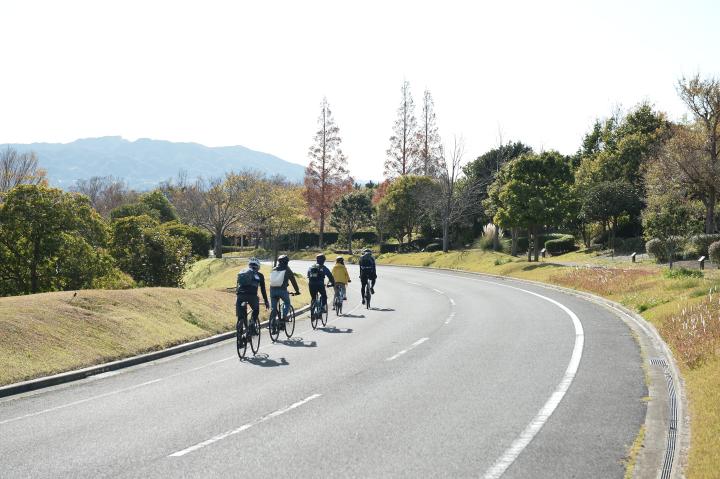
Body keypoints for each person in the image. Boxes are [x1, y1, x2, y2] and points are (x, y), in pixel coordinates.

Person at [236, 258, 269, 333]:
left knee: (241, 315)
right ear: (258, 267)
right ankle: (253, 322)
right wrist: (266, 301)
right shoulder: (260, 275)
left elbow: (238, 285)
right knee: (256, 309)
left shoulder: (242, 272)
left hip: (240, 295)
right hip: (252, 296)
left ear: (249, 265)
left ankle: (240, 334)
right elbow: (263, 290)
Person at [269, 254, 301, 322]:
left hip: (272, 290)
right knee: (287, 303)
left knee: (273, 308)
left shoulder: (273, 269)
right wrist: (297, 291)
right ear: (287, 262)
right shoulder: (287, 269)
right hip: (282, 290)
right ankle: (284, 316)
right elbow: (293, 281)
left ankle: (272, 323)